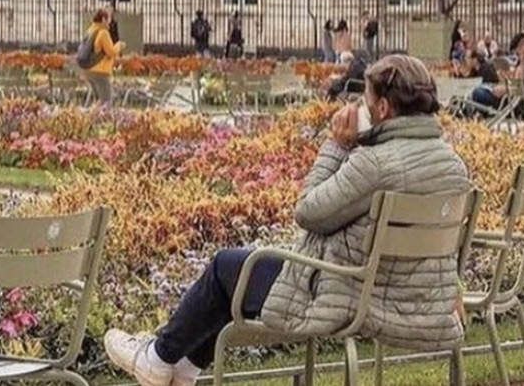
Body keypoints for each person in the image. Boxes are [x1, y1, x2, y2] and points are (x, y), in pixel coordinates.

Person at [104, 55, 471, 386]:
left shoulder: (375, 164)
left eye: (367, 102)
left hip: (349, 297)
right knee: (244, 273)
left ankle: (157, 357)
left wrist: (337, 146)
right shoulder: (453, 164)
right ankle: (180, 371)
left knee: (228, 267)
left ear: (385, 108)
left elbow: (309, 212)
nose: (363, 108)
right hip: (416, 301)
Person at [467, 33, 524, 118]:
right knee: (481, 87)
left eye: (518, 54)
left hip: (519, 105)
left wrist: (507, 90)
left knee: (477, 92)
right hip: (514, 100)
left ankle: (478, 116)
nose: (519, 58)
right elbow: (520, 83)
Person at [83, 8, 125, 105]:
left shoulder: (90, 31)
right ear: (103, 19)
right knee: (106, 102)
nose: (110, 23)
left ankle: (92, 118)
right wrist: (118, 46)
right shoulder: (103, 33)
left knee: (97, 101)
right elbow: (111, 53)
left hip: (90, 71)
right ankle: (103, 119)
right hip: (101, 72)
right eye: (108, 19)